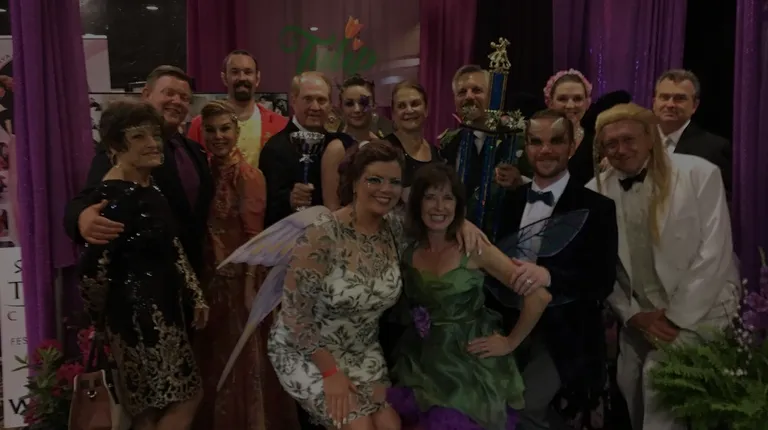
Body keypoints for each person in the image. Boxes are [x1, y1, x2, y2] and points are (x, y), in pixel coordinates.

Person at [267, 141, 488, 430]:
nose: (386, 189)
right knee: (358, 424)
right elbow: (295, 316)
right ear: (354, 182)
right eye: (374, 180)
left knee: (390, 425)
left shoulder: (396, 229)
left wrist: (462, 224)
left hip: (362, 350)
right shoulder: (322, 234)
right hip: (307, 349)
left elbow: (436, 224)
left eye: (394, 182)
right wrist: (330, 373)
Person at [587, 103, 739, 430]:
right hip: (641, 315)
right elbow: (600, 267)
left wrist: (674, 318)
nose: (620, 149)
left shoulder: (699, 173)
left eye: (628, 139)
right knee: (629, 381)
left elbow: (714, 252)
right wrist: (632, 315)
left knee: (658, 380)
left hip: (702, 307)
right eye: (611, 143)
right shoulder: (595, 190)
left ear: (650, 137)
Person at [387, 163, 551, 429]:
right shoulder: (410, 251)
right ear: (417, 203)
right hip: (422, 362)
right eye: (430, 197)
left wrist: (510, 343)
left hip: (468, 366)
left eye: (447, 198)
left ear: (458, 205)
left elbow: (539, 298)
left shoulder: (474, 248)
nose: (439, 206)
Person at [78, 99, 208, 430]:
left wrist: (195, 294)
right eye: (139, 136)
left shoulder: (150, 187)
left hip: (164, 311)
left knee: (149, 409)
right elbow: (92, 272)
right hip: (137, 320)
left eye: (155, 134)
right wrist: (100, 322)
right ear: (115, 146)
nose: (153, 143)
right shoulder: (113, 199)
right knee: (185, 397)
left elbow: (172, 246)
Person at [493, 109, 618, 430]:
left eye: (556, 141)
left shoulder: (598, 207)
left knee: (525, 408)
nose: (545, 150)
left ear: (572, 146)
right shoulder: (510, 200)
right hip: (511, 327)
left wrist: (549, 276)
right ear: (526, 146)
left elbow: (602, 279)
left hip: (565, 336)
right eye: (536, 142)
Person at [192, 101, 298, 430]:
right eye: (211, 130)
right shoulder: (204, 172)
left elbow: (255, 237)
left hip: (240, 282)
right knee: (213, 357)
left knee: (242, 360)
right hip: (209, 280)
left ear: (237, 131)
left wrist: (251, 287)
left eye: (225, 128)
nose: (218, 136)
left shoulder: (249, 175)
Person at [64, 65, 213, 276]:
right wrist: (81, 219)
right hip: (148, 275)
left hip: (191, 273)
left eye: (184, 97)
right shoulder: (125, 150)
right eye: (169, 93)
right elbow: (87, 198)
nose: (177, 101)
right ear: (146, 94)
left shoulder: (196, 151)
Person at [187, 50, 288, 168]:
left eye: (248, 72)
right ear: (224, 78)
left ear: (257, 78)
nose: (242, 78)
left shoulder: (280, 125)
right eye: (235, 72)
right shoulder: (199, 124)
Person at [259, 71, 333, 228]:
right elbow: (264, 208)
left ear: (330, 104)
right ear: (293, 101)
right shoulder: (275, 149)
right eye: (308, 99)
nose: (315, 107)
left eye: (321, 100)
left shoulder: (336, 144)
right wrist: (289, 200)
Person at [651, 69, 731, 199]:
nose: (670, 104)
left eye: (679, 99)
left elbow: (719, 203)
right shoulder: (640, 143)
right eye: (664, 97)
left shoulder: (715, 148)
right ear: (654, 103)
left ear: (695, 105)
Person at [321, 75, 381, 210]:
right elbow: (331, 207)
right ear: (341, 107)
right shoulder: (336, 149)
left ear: (374, 105)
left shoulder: (379, 144)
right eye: (349, 104)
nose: (357, 109)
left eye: (363, 103)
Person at [383, 81, 441, 203]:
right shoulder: (383, 150)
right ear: (393, 114)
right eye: (401, 106)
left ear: (426, 109)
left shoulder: (438, 153)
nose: (409, 110)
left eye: (415, 104)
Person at [543, 69, 594, 186]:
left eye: (577, 99)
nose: (570, 105)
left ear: (587, 103)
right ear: (550, 103)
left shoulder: (597, 142)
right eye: (562, 99)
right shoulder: (535, 140)